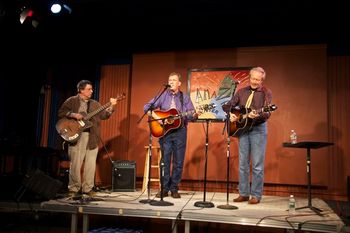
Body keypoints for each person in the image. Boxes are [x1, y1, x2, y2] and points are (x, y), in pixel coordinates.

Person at [58, 80, 117, 197]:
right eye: (89, 89)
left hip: (92, 137)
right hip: (77, 135)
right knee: (75, 163)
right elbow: (61, 112)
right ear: (81, 90)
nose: (91, 91)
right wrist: (74, 115)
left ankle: (87, 189)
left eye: (91, 89)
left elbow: (104, 116)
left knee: (90, 164)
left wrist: (112, 106)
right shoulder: (72, 101)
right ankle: (74, 189)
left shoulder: (94, 103)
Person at [143, 72, 198, 198]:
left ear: (179, 83)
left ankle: (174, 188)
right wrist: (157, 118)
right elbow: (146, 107)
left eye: (174, 80)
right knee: (165, 161)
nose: (171, 82)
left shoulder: (185, 97)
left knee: (178, 162)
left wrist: (195, 114)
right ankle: (164, 188)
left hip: (180, 132)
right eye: (170, 80)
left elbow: (191, 116)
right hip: (165, 132)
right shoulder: (162, 95)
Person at [223, 67, 272, 204]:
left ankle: (256, 195)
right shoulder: (241, 91)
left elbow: (267, 113)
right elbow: (227, 106)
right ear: (249, 77)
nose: (254, 81)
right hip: (243, 130)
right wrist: (231, 114)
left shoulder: (266, 93)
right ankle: (243, 193)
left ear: (262, 80)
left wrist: (255, 115)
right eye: (253, 78)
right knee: (243, 164)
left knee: (257, 164)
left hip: (258, 130)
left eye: (257, 79)